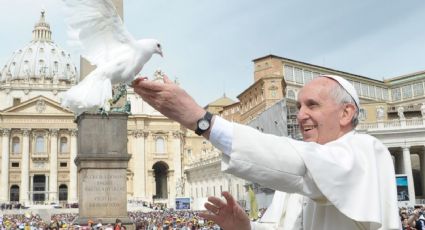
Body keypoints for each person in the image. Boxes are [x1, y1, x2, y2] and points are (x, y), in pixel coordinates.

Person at [132, 74, 400, 230]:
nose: (302, 115)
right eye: (299, 107)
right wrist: (246, 227)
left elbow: (304, 165)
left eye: (312, 105)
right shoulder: (297, 178)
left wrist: (203, 122)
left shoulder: (367, 152)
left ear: (346, 113)